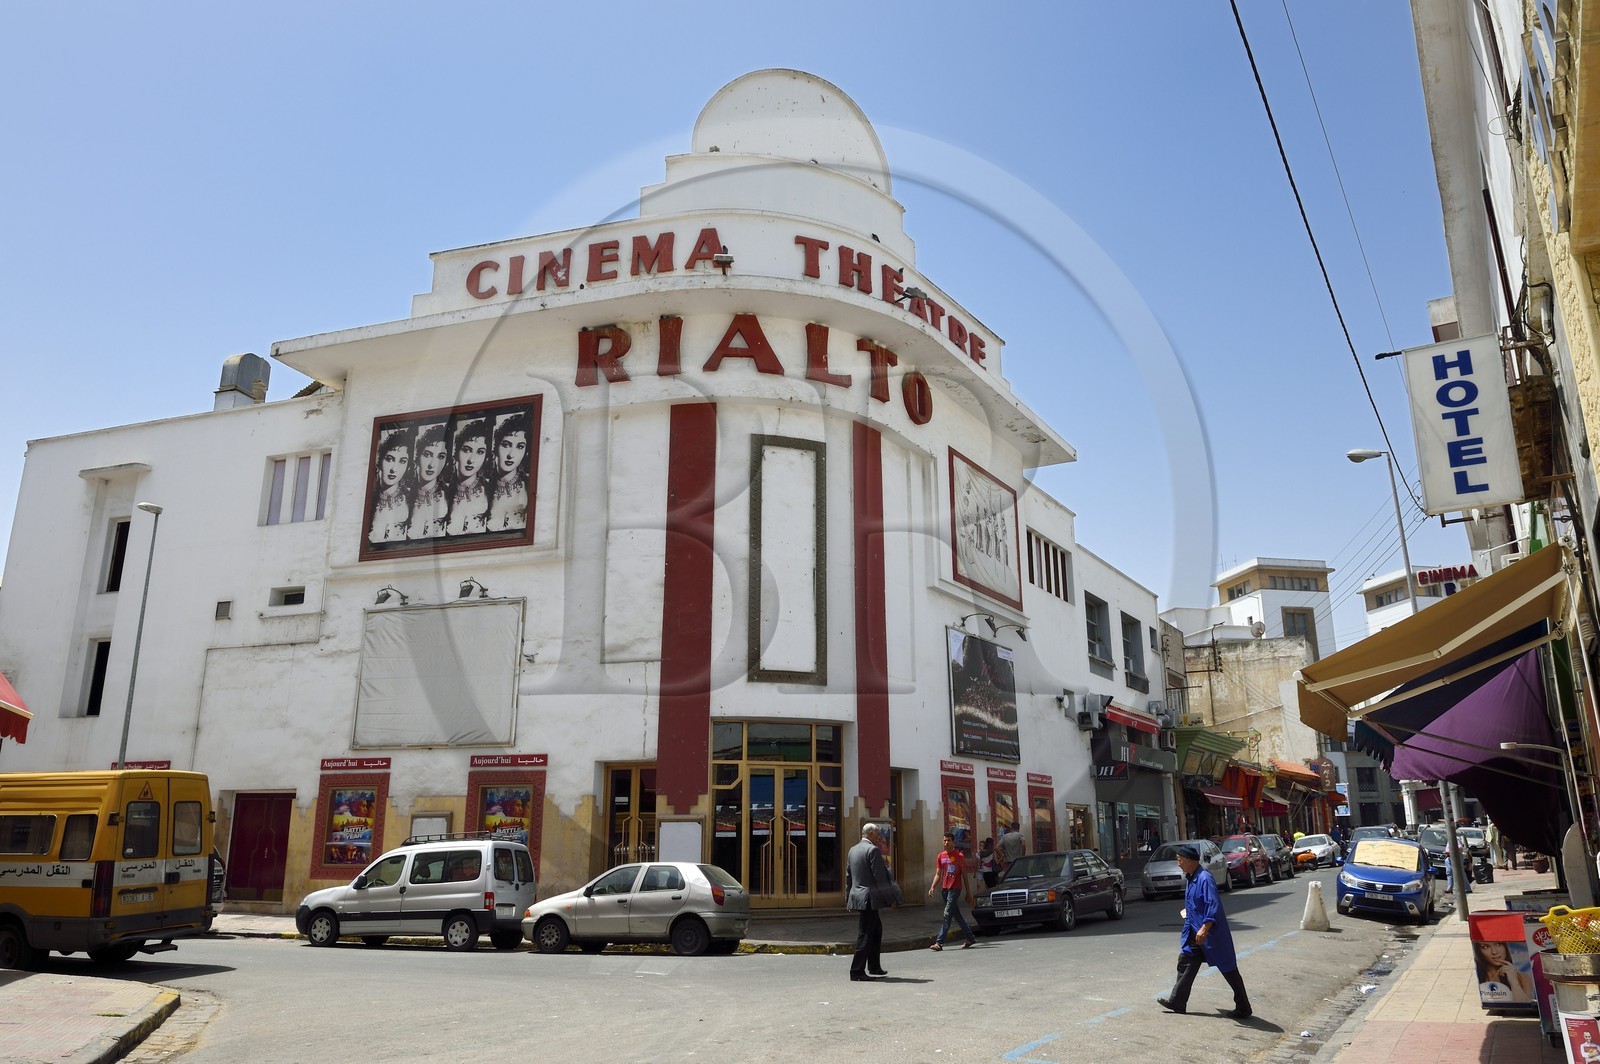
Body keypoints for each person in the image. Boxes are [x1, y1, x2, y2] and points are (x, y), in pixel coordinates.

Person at [1158, 844, 1252, 1019]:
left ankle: (1243, 1007)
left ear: (1189, 861)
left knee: (1228, 968)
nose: (1178, 864)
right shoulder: (1191, 878)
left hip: (1210, 934)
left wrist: (1205, 928)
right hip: (1195, 932)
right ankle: (1178, 1001)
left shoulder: (1204, 878)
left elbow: (1212, 905)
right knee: (1185, 961)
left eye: (1179, 860)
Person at [845, 823, 897, 981]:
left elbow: (849, 877)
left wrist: (848, 899)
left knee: (876, 930)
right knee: (866, 934)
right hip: (868, 899)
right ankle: (856, 971)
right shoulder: (872, 850)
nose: (879, 837)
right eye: (877, 834)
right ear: (870, 834)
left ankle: (874, 966)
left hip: (859, 897)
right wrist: (890, 899)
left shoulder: (852, 850)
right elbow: (880, 878)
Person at [927, 833, 977, 950]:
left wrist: (968, 893)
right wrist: (932, 887)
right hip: (945, 890)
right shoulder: (941, 856)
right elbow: (938, 874)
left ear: (953, 842)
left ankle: (939, 943)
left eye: (948, 840)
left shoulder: (959, 856)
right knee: (956, 915)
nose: (946, 843)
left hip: (955, 889)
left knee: (947, 914)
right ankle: (970, 937)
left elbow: (964, 876)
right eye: (944, 840)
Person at [367, 426, 414, 544]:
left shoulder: (411, 499)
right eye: (389, 459)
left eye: (402, 461)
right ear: (380, 461)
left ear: (407, 466)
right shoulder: (368, 498)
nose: (394, 469)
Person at [445, 417, 492, 535]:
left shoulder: (489, 492)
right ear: (456, 452)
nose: (471, 460)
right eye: (466, 450)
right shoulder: (443, 492)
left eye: (480, 452)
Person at [486, 411, 530, 532]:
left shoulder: (529, 486)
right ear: (496, 447)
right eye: (506, 445)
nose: (511, 454)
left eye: (520, 447)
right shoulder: (484, 487)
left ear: (525, 452)